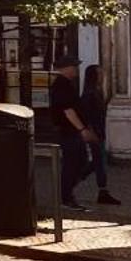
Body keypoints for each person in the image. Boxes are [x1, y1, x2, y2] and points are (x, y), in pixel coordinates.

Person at [48, 61, 94, 209]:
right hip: (69, 131)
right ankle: (65, 197)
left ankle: (67, 194)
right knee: (73, 164)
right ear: (65, 68)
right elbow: (68, 111)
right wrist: (82, 130)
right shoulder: (62, 86)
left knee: (80, 162)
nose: (76, 69)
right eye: (74, 66)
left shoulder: (66, 84)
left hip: (71, 130)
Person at [81, 64, 121, 206]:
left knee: (98, 161)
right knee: (100, 162)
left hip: (99, 131)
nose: (102, 77)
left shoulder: (96, 92)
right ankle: (102, 191)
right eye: (100, 74)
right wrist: (90, 131)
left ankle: (76, 178)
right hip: (95, 132)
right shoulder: (89, 94)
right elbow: (86, 115)